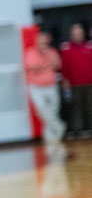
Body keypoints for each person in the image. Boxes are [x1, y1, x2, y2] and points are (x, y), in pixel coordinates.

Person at [24, 29, 64, 157]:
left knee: (53, 109)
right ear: (37, 41)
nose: (43, 44)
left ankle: (52, 139)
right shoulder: (30, 52)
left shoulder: (51, 52)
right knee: (42, 109)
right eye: (41, 42)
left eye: (45, 42)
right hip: (36, 87)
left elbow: (58, 65)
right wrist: (46, 66)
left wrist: (47, 59)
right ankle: (59, 126)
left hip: (51, 85)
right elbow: (31, 67)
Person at [59, 22, 92, 138]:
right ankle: (77, 130)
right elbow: (63, 66)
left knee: (90, 106)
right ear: (71, 35)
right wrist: (64, 80)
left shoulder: (89, 46)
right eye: (75, 33)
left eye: (80, 33)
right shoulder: (66, 48)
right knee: (76, 108)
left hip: (89, 82)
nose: (78, 35)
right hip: (74, 84)